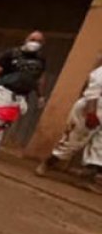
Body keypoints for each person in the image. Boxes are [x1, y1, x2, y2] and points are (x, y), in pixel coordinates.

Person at [0, 31, 47, 161]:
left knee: (4, 123)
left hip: (21, 96)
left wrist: (41, 96)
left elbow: (40, 78)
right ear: (26, 39)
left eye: (39, 41)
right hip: (3, 91)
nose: (35, 43)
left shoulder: (40, 60)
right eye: (33, 39)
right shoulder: (11, 54)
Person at [36, 60, 102, 193]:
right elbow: (92, 93)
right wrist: (91, 113)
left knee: (99, 148)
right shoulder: (100, 72)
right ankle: (48, 163)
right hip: (91, 108)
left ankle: (89, 179)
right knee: (73, 140)